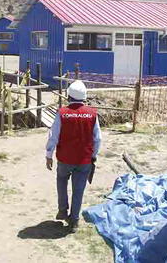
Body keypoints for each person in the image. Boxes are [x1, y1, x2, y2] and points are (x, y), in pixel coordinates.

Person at [45, 80, 101, 233]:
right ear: (84, 96)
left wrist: (49, 154)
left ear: (69, 96)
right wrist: (93, 156)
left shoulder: (62, 113)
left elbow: (53, 135)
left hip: (65, 158)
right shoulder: (92, 114)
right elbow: (98, 139)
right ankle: (74, 220)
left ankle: (63, 210)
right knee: (79, 189)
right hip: (84, 160)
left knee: (62, 180)